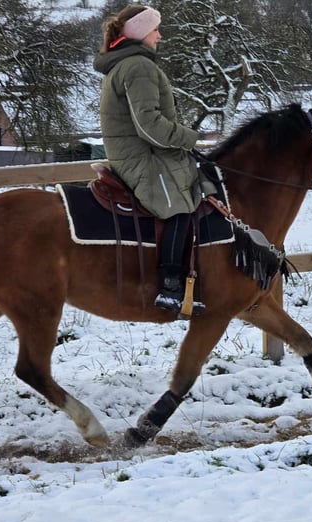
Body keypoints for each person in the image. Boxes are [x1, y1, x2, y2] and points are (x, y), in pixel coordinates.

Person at [94, 4, 205, 314]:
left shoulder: (126, 64)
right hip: (143, 158)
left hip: (142, 153)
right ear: (141, 33)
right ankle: (171, 286)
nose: (159, 34)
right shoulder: (138, 67)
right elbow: (149, 126)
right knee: (180, 208)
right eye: (155, 29)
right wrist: (190, 138)